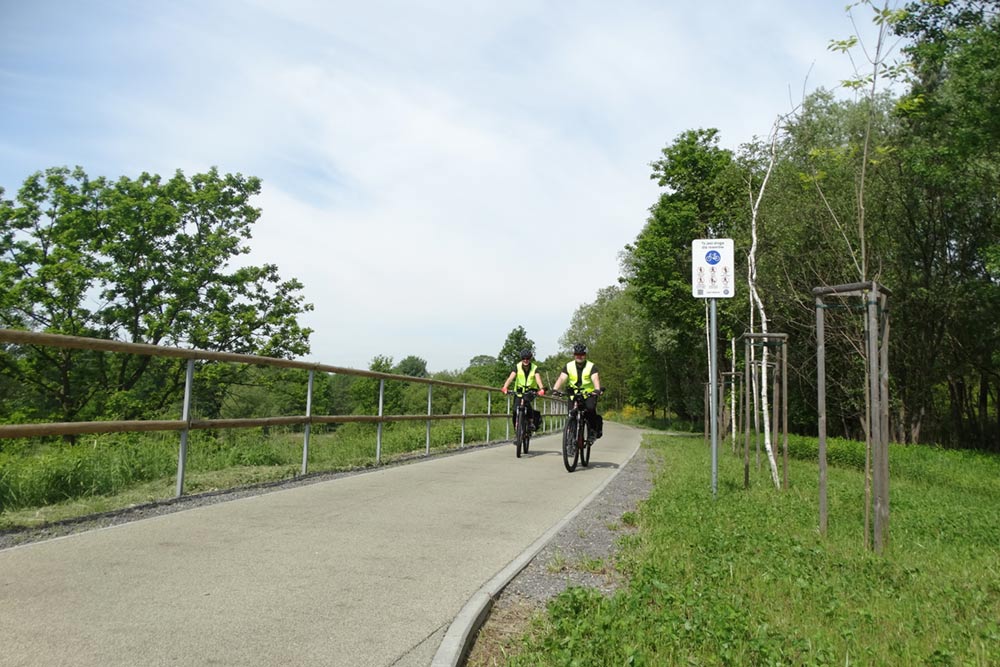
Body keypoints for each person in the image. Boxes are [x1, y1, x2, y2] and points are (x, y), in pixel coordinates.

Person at [552, 343, 603, 443]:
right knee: (571, 414)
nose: (579, 356)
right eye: (577, 354)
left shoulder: (591, 366)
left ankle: (592, 431)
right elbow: (562, 378)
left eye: (582, 354)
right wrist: (555, 389)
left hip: (588, 394)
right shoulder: (569, 366)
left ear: (585, 355)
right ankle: (571, 437)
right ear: (574, 355)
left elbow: (595, 378)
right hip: (573, 394)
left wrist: (597, 389)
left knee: (590, 409)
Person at [501, 349, 545, 431]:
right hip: (519, 391)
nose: (525, 360)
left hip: (530, 390)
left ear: (530, 359)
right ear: (521, 358)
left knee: (527, 404)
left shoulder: (534, 368)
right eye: (523, 358)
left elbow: (538, 379)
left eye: (527, 358)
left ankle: (531, 422)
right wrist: (505, 387)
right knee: (514, 410)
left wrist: (541, 389)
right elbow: (510, 378)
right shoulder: (517, 367)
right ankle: (516, 429)